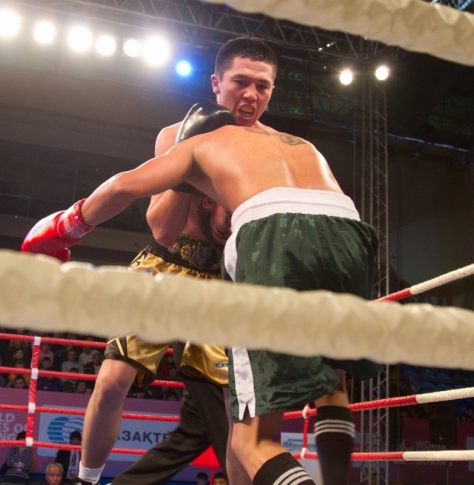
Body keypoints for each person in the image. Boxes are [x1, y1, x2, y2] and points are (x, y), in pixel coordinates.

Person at [22, 100, 381, 485]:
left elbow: (122, 185)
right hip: (348, 232)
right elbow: (162, 231)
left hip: (269, 243)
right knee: (333, 386)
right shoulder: (294, 143)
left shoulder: (200, 145)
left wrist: (65, 227)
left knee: (250, 438)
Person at [29, 37, 278, 485]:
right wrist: (190, 152)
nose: (251, 95)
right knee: (109, 385)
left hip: (224, 281)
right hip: (165, 264)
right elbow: (162, 229)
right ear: (217, 82)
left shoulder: (273, 151)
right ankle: (86, 481)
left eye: (263, 87)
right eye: (241, 82)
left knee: (233, 412)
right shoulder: (174, 134)